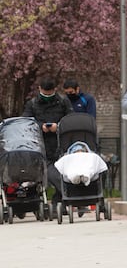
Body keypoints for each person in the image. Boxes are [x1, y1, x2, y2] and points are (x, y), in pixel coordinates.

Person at [22, 76, 73, 210]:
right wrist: (41, 127)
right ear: (39, 89)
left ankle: (59, 204)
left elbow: (71, 119)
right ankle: (68, 196)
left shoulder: (63, 101)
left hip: (60, 144)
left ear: (55, 90)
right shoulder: (32, 104)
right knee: (52, 173)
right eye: (45, 93)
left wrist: (59, 126)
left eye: (50, 93)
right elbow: (26, 122)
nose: (47, 96)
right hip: (40, 145)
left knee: (63, 172)